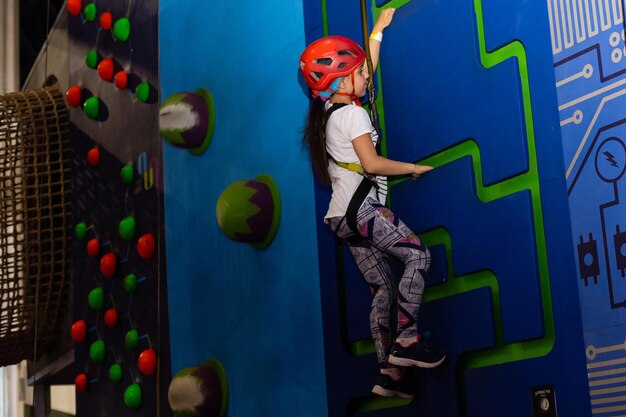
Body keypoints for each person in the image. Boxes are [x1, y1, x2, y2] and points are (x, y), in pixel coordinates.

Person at [299, 8, 445, 400]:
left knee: (383, 288)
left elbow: (365, 69)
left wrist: (377, 30)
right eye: (360, 73)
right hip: (363, 213)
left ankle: (387, 373)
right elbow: (372, 163)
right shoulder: (353, 115)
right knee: (417, 257)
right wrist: (412, 167)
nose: (367, 76)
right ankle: (407, 342)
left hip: (342, 218)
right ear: (343, 82)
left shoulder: (331, 111)